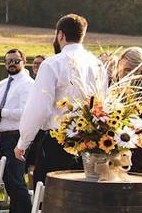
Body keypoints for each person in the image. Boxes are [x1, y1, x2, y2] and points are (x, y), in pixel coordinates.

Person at [15, 14, 107, 184]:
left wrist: (23, 142)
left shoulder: (52, 64)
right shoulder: (97, 64)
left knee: (51, 201)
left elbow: (39, 108)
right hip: (90, 143)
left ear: (60, 35)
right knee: (83, 196)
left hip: (58, 143)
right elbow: (102, 104)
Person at [0, 49, 34, 213]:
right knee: (7, 179)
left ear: (24, 61)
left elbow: (26, 113)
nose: (11, 64)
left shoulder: (28, 84)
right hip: (3, 137)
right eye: (8, 61)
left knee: (15, 179)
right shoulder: (1, 84)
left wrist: (2, 111)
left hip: (17, 137)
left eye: (15, 60)